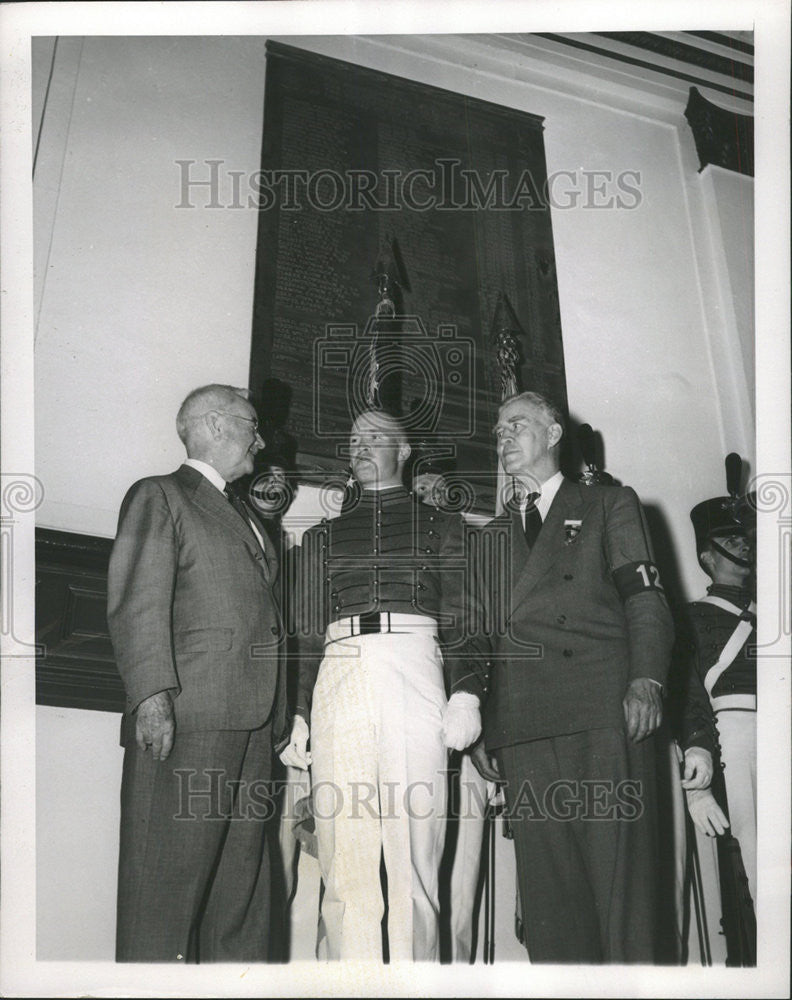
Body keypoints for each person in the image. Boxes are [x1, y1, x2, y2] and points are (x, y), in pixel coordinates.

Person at [279, 409, 487, 961]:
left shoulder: (443, 526)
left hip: (415, 665)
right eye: (353, 440)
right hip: (340, 668)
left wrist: (466, 691)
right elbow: (303, 632)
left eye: (375, 439)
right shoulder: (319, 537)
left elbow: (465, 617)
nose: (361, 446)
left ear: (404, 452)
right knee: (344, 854)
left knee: (415, 848)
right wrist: (298, 711)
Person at [476, 390, 675, 963]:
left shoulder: (608, 503)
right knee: (551, 903)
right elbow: (483, 638)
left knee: (622, 891)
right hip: (526, 726)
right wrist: (490, 725)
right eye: (497, 431)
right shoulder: (490, 536)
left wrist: (648, 681)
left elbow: (645, 600)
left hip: (603, 712)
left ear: (555, 433)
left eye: (516, 425)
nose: (503, 437)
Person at [107, 383, 287, 962]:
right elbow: (137, 600)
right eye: (251, 424)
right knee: (163, 890)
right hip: (188, 721)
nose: (260, 439)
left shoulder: (251, 517)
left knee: (241, 900)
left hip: (253, 728)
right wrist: (152, 698)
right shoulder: (159, 496)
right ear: (212, 425)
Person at [681, 464, 757, 905]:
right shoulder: (691, 616)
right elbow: (689, 700)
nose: (741, 546)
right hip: (737, 735)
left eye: (743, 539)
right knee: (763, 856)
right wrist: (699, 788)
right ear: (707, 556)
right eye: (729, 542)